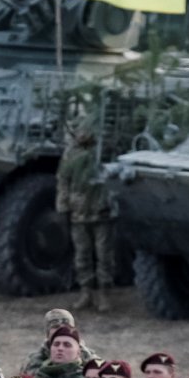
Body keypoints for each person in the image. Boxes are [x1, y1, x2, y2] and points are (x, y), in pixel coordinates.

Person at [57, 122, 113, 310]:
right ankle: (86, 291)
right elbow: (63, 181)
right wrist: (63, 208)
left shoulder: (102, 152)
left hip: (101, 210)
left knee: (104, 254)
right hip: (79, 211)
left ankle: (104, 293)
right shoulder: (71, 155)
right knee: (82, 254)